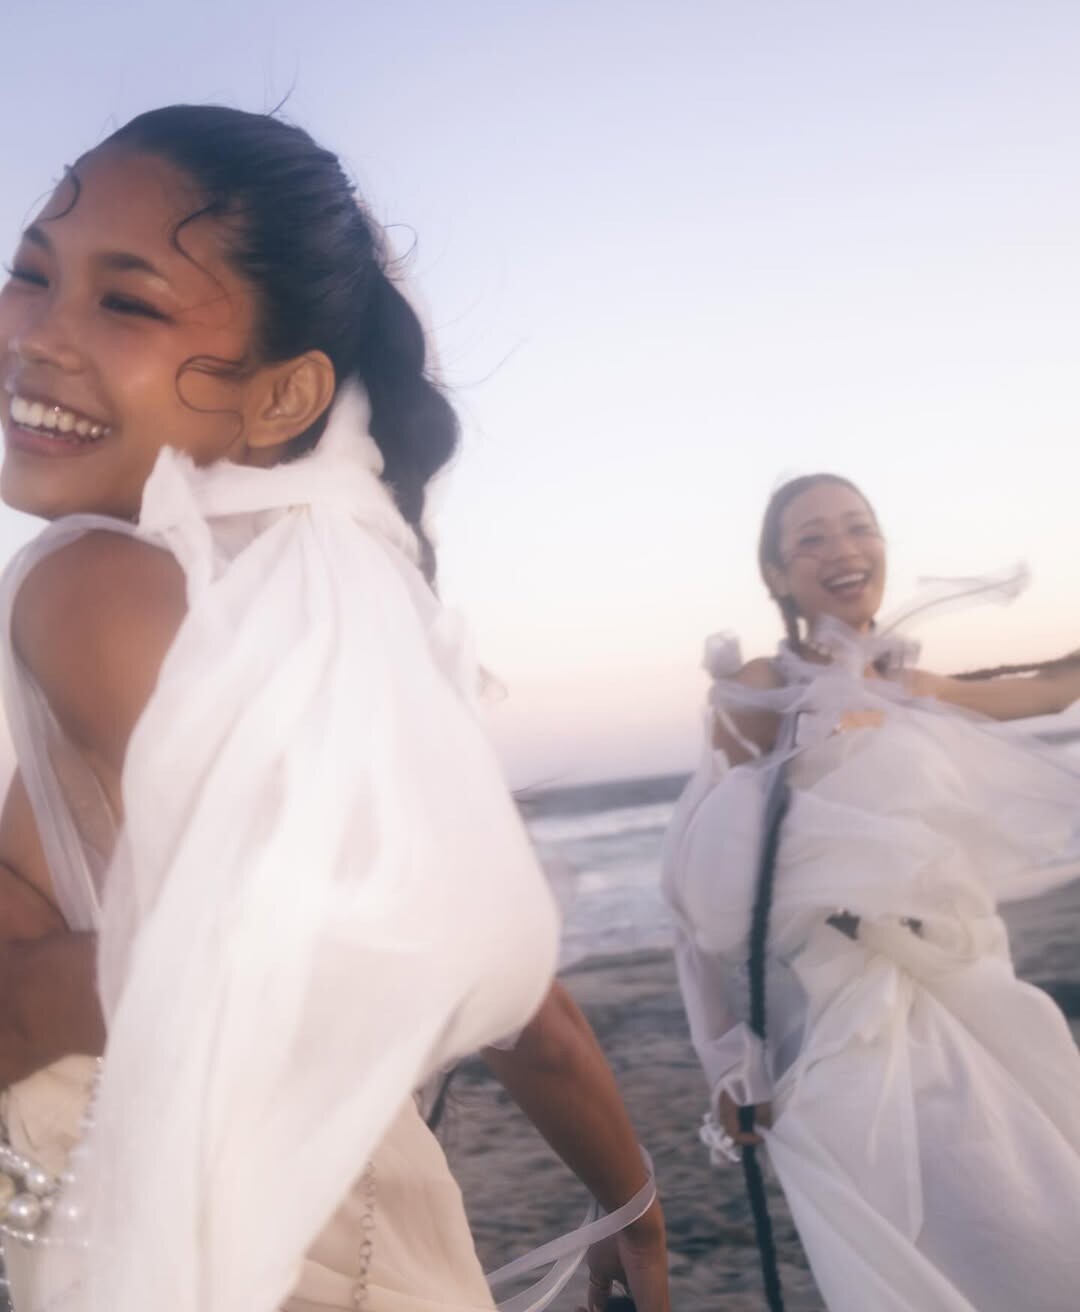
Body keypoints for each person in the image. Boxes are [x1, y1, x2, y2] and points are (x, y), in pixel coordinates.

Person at [0, 106, 666, 1312]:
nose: (36, 333)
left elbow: (296, 959)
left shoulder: (89, 586)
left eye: (128, 301)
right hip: (365, 1233)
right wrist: (634, 1205)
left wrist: (33, 994)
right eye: (32, 271)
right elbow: (509, 993)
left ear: (283, 396)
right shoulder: (293, 634)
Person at [663, 472, 1080, 1312]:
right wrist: (729, 1063)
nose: (843, 549)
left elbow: (1050, 689)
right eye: (811, 538)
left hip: (965, 988)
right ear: (777, 574)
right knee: (931, 1252)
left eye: (859, 527)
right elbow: (700, 894)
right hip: (841, 1016)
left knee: (1046, 1220)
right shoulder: (758, 688)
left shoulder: (912, 686)